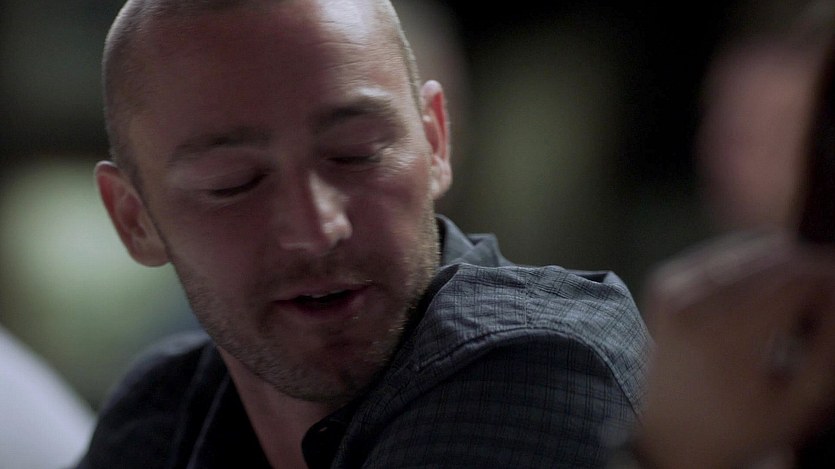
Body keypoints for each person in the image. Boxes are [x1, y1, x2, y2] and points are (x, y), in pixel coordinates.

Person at [75, 0, 649, 467]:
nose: (317, 229)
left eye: (356, 154)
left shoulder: (531, 364)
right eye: (234, 183)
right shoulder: (163, 410)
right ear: (135, 220)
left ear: (435, 141)